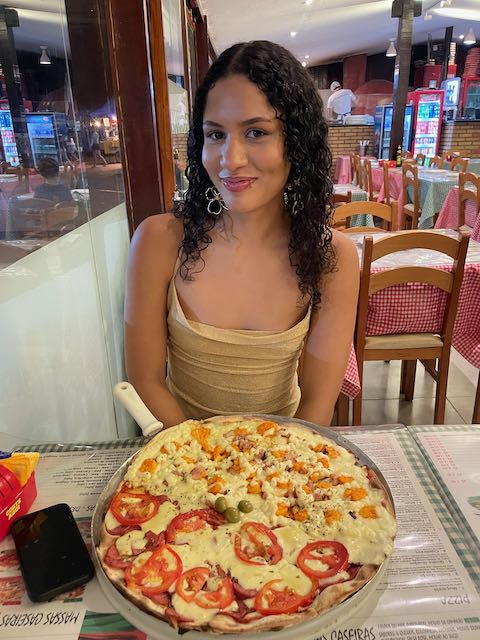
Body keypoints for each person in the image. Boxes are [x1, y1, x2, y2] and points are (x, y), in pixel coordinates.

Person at [124, 40, 359, 429]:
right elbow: (145, 379)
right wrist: (201, 457)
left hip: (284, 448)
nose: (230, 160)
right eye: (216, 135)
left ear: (296, 142)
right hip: (180, 448)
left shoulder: (332, 256)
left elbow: (318, 399)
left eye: (256, 132)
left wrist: (271, 460)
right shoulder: (158, 240)